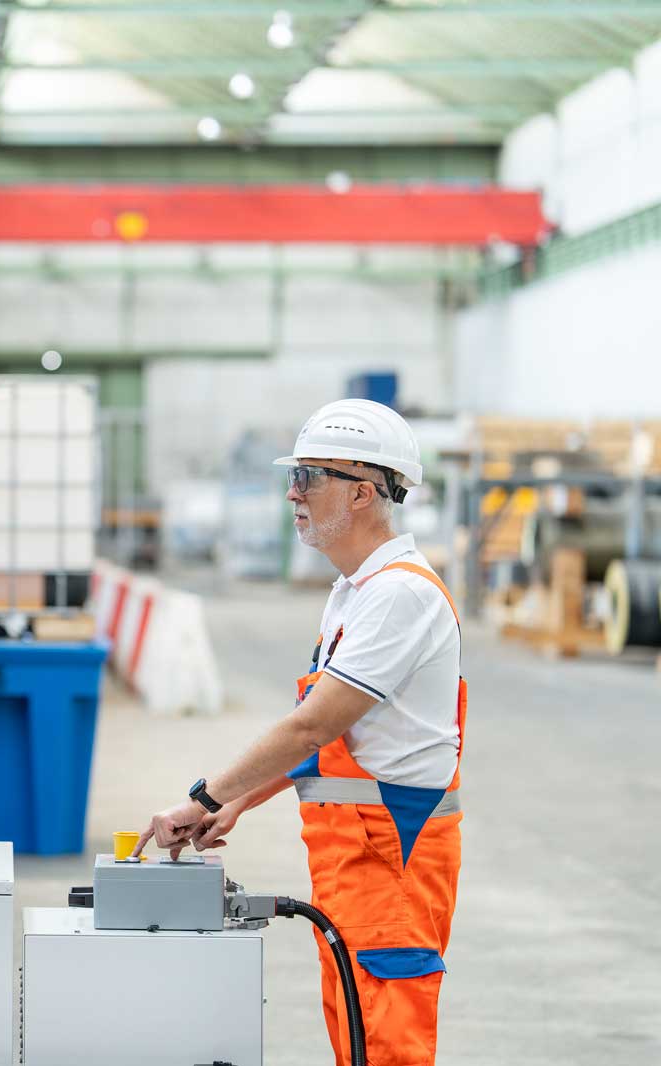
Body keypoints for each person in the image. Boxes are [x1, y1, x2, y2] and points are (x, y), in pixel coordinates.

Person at [132, 398, 464, 1066]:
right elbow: (334, 741)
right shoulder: (355, 592)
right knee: (357, 1040)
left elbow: (316, 721)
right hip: (353, 862)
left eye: (311, 477)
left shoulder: (401, 594)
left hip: (390, 861)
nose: (293, 492)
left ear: (365, 493)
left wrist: (203, 796)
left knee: (386, 1046)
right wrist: (240, 801)